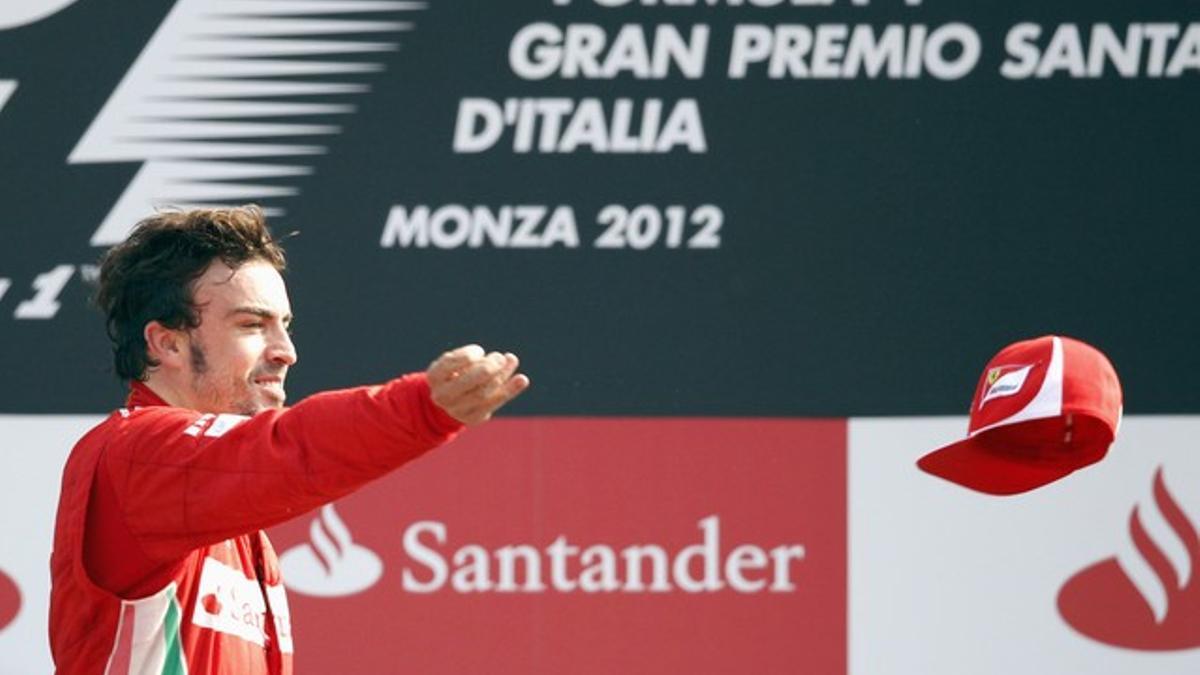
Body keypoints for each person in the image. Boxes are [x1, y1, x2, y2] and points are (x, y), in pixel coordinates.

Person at [48, 206, 529, 674]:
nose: (286, 352)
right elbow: (289, 449)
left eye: (286, 326)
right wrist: (421, 410)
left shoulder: (223, 516)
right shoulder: (137, 455)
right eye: (253, 325)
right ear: (168, 343)